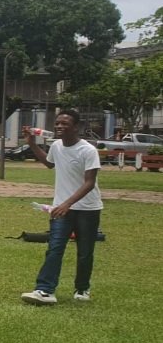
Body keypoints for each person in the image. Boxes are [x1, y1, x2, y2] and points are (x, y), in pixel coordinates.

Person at [20, 110, 102, 305]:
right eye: (57, 123)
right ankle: (45, 290)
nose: (59, 127)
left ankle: (82, 288)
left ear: (76, 127)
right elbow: (49, 164)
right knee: (55, 247)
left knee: (84, 251)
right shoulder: (56, 146)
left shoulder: (88, 150)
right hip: (61, 208)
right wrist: (31, 143)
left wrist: (68, 204)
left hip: (88, 209)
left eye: (64, 124)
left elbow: (89, 183)